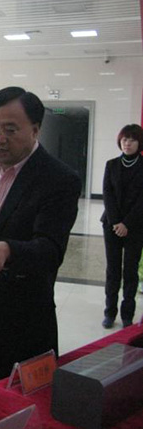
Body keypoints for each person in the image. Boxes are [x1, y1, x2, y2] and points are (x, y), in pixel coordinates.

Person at [0, 86, 81, 394]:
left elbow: (50, 249)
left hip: (18, 321)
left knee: (11, 404)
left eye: (10, 129)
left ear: (35, 130)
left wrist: (7, 250)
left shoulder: (58, 179)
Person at [100, 124, 143, 329]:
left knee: (131, 270)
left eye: (132, 140)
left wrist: (127, 223)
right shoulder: (111, 165)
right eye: (125, 139)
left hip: (136, 226)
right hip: (111, 224)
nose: (127, 143)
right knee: (113, 270)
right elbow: (107, 194)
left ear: (139, 143)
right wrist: (117, 222)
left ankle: (127, 314)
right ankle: (109, 312)